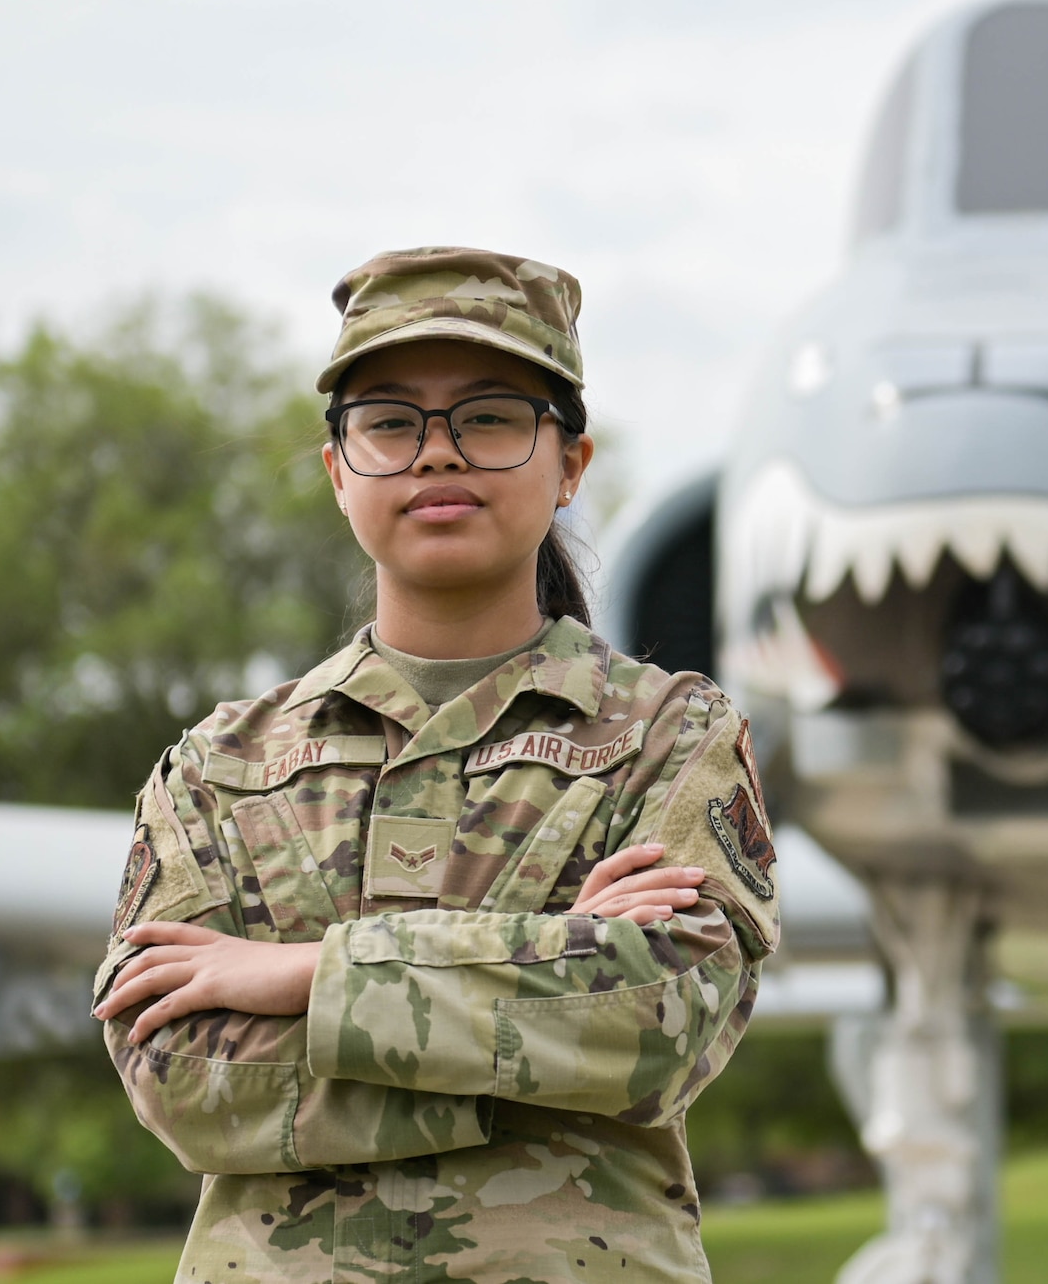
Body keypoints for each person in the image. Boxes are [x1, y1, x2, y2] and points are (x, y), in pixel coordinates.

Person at [90, 247, 780, 1282]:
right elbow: (181, 1078)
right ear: (338, 469)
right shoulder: (219, 767)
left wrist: (299, 975)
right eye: (390, 422)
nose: (437, 454)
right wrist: (546, 998)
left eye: (491, 416)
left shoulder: (670, 737)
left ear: (570, 465)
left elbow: (656, 1023)